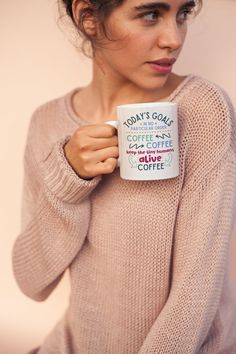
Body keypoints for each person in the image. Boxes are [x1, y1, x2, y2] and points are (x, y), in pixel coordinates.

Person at [12, 0, 236, 353]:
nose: (173, 39)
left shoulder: (202, 109)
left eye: (183, 14)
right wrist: (67, 180)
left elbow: (198, 288)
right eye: (151, 14)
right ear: (87, 16)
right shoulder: (47, 123)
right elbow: (31, 282)